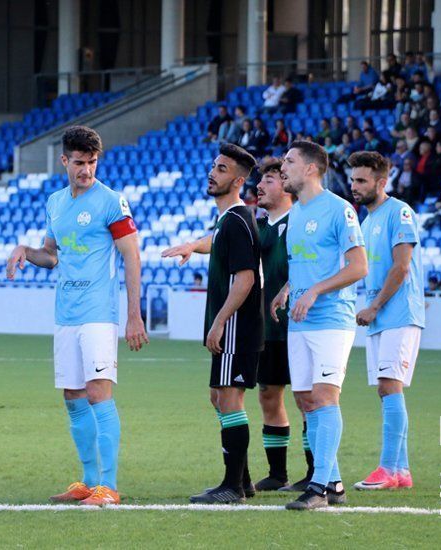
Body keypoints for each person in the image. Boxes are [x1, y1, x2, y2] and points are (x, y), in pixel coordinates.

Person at [6, 126, 147, 506]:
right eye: (79, 163)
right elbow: (51, 256)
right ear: (64, 161)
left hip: (99, 313)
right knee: (73, 396)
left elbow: (132, 256)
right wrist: (25, 250)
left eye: (92, 162)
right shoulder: (55, 202)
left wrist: (134, 315)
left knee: (99, 392)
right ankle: (87, 482)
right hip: (65, 313)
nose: (86, 170)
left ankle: (110, 486)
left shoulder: (111, 202)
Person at [163, 160, 315, 494]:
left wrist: (290, 289)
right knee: (266, 395)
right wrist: (192, 245)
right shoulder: (257, 222)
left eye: (271, 180)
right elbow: (219, 238)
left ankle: (316, 474)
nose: (261, 186)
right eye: (260, 181)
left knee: (306, 398)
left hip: (296, 323)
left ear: (287, 185)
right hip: (264, 325)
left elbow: (312, 262)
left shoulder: (301, 220)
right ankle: (275, 474)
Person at [272, 140, 368, 510]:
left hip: (332, 320)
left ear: (311, 169)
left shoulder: (339, 210)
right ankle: (335, 483)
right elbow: (304, 264)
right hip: (300, 319)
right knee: (305, 399)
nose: (284, 166)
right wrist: (287, 290)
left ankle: (318, 489)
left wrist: (314, 291)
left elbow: (358, 267)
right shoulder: (296, 213)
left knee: (325, 397)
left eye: (290, 161)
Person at [183, 144, 262, 504]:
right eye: (214, 166)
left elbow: (245, 279)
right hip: (231, 326)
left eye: (223, 169)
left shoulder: (237, 219)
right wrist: (191, 246)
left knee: (230, 400)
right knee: (219, 397)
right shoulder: (226, 221)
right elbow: (214, 245)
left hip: (236, 327)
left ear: (239, 180)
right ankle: (242, 481)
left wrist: (219, 323)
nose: (213, 173)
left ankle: (232, 487)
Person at [348, 152, 424, 491]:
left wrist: (375, 306)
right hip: (380, 315)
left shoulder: (400, 212)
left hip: (398, 312)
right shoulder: (366, 222)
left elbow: (401, 267)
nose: (355, 186)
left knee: (389, 385)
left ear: (382, 182)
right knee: (385, 388)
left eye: (362, 181)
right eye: (353, 180)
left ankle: (387, 469)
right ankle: (401, 471)